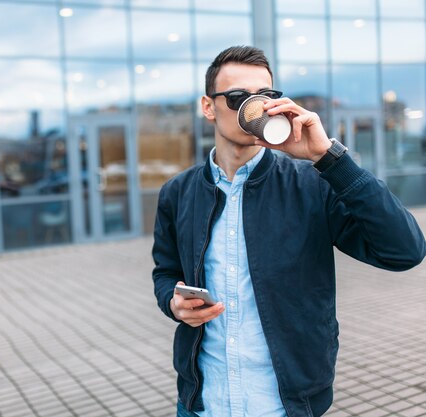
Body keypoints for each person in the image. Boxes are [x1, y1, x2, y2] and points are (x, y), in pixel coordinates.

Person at [151, 45, 426, 417]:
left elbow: (404, 251)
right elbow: (166, 272)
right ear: (208, 106)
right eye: (238, 98)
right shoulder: (178, 192)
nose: (255, 106)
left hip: (286, 406)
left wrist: (328, 158)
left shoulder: (311, 184)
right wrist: (173, 302)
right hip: (202, 403)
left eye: (265, 96)